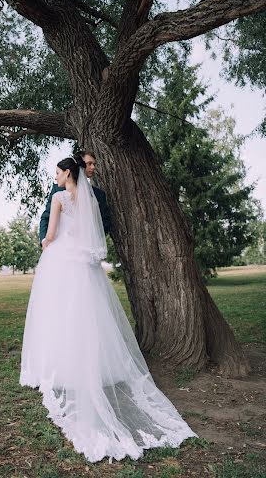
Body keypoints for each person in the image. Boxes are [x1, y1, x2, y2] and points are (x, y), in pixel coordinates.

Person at [19, 154, 197, 463]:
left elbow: (51, 232)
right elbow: (94, 232)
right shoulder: (88, 198)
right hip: (84, 262)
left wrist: (47, 244)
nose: (56, 177)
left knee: (57, 314)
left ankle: (56, 364)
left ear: (66, 174)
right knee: (87, 313)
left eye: (58, 172)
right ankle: (91, 362)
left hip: (62, 259)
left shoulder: (60, 196)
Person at [39, 150, 110, 246]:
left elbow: (104, 223)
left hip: (88, 247)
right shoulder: (58, 190)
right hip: (60, 245)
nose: (93, 167)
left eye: (94, 164)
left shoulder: (99, 195)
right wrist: (44, 241)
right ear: (79, 165)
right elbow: (46, 216)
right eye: (89, 164)